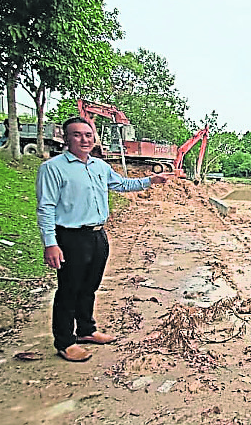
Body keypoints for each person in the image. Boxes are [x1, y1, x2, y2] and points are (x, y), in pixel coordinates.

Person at [36, 117, 170, 362]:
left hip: (98, 235)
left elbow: (121, 184)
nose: (84, 139)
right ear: (66, 138)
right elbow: (45, 207)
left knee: (90, 287)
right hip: (71, 237)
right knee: (69, 290)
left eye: (88, 134)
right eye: (77, 135)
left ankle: (86, 330)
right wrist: (50, 243)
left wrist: (150, 181)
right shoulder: (53, 168)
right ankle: (65, 342)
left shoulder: (99, 166)